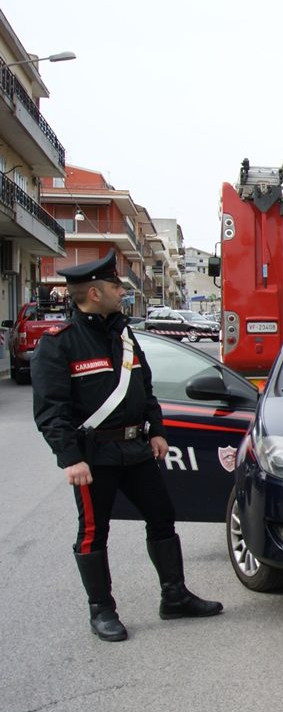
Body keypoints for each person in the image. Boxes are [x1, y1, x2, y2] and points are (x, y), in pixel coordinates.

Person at [31, 251, 222, 643]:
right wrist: (70, 458)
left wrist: (156, 429)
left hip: (135, 450)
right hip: (93, 456)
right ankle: (102, 610)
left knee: (162, 516)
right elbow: (51, 410)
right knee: (92, 532)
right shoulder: (60, 344)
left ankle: (174, 596)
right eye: (116, 286)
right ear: (96, 293)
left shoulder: (123, 334)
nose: (122, 291)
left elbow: (144, 386)